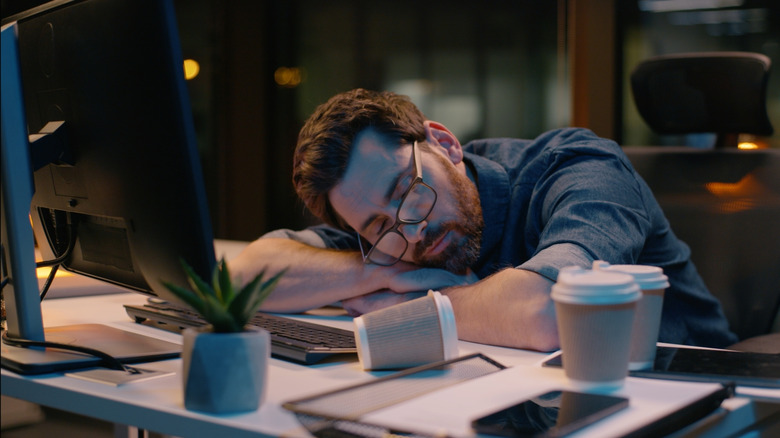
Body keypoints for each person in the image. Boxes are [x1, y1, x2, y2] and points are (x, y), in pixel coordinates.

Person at [230, 88, 737, 351]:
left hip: (699, 403)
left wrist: (398, 307)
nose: (411, 232)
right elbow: (242, 276)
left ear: (445, 144)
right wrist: (379, 272)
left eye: (407, 190)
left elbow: (550, 313)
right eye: (378, 228)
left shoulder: (581, 168)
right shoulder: (389, 243)